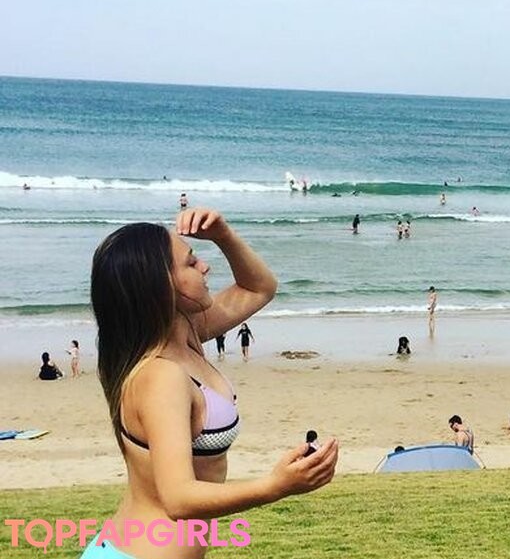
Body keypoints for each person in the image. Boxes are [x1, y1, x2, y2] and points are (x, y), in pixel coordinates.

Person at [87, 207, 338, 559]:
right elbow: (178, 498)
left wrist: (223, 235)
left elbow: (260, 287)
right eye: (191, 263)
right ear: (162, 286)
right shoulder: (161, 376)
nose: (205, 267)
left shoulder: (186, 335)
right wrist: (276, 486)